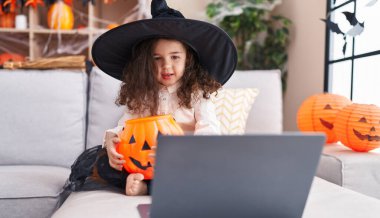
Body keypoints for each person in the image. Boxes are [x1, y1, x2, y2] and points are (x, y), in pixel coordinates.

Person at [64, 0, 237, 198]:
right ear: (146, 62)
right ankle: (142, 181)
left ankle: (147, 188)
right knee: (103, 163)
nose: (166, 66)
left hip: (184, 162)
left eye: (174, 57)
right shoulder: (142, 94)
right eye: (157, 58)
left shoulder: (197, 94)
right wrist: (112, 139)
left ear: (188, 59)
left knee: (206, 172)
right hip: (147, 162)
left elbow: (209, 132)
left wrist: (184, 152)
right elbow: (125, 127)